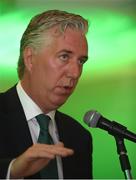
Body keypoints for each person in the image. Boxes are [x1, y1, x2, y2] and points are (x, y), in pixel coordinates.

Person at [0, 9, 93, 179]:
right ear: (30, 58)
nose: (75, 72)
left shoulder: (79, 137)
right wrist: (11, 172)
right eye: (64, 56)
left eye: (81, 61)